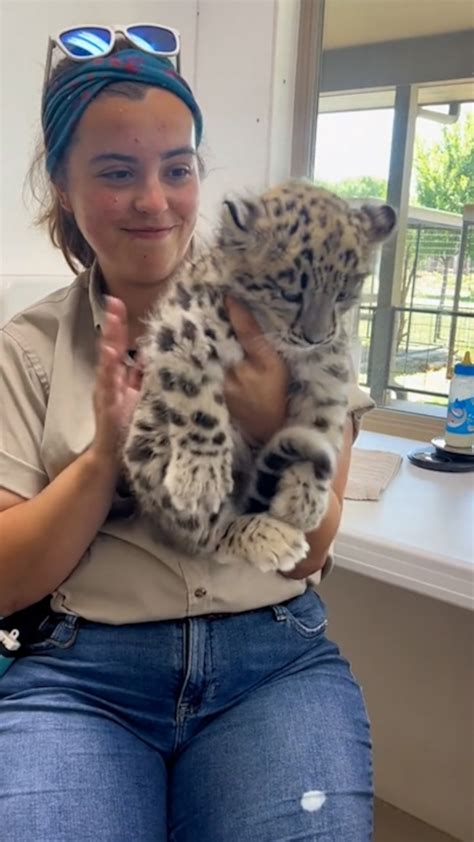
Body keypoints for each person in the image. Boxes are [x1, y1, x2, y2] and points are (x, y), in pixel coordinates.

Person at [0, 27, 375, 842]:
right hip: (79, 675)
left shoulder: (294, 318)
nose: (154, 200)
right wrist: (105, 456)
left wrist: (272, 419)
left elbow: (305, 550)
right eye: (115, 172)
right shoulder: (25, 350)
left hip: (268, 663)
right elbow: (6, 581)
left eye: (177, 168)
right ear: (63, 186)